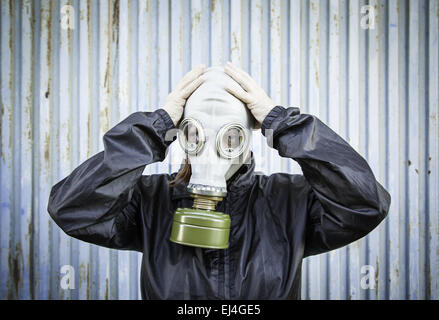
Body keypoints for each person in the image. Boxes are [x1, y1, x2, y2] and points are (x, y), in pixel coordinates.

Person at [47, 62, 391, 299]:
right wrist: (155, 126)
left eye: (230, 136)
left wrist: (281, 122)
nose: (211, 151)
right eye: (195, 133)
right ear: (180, 134)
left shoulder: (290, 203)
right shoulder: (151, 201)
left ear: (251, 136)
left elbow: (364, 203)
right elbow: (71, 208)